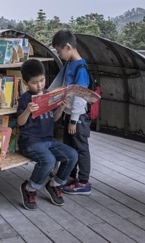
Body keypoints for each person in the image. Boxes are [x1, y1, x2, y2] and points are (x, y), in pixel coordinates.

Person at [17, 59, 78, 210]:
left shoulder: (48, 95)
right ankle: (30, 188)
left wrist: (61, 109)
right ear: (25, 82)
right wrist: (28, 111)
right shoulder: (25, 99)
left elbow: (54, 119)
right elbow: (20, 122)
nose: (39, 85)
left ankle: (54, 184)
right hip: (30, 142)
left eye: (42, 80)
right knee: (49, 160)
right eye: (34, 82)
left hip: (48, 140)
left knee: (72, 155)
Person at [51, 29, 92, 195]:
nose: (59, 55)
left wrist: (74, 120)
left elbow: (80, 97)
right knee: (69, 147)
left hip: (78, 116)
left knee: (81, 148)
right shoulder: (69, 64)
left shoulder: (81, 68)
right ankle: (70, 176)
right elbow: (58, 82)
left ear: (68, 47)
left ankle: (83, 182)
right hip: (68, 114)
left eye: (59, 51)